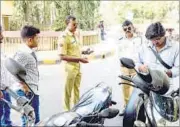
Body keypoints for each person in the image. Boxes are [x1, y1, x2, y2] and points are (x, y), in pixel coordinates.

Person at [58, 15, 93, 111]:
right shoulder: (64, 37)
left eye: (76, 24)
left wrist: (84, 52)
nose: (76, 26)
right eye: (74, 24)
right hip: (69, 68)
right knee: (67, 92)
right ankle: (66, 112)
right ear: (67, 24)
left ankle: (76, 110)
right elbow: (62, 56)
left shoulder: (75, 35)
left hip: (77, 67)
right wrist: (80, 59)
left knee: (76, 90)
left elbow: (75, 50)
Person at [136, 22, 179, 94]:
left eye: (158, 39)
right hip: (146, 85)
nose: (155, 42)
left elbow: (178, 68)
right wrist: (140, 67)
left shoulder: (176, 47)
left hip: (166, 87)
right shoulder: (144, 46)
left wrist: (169, 73)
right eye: (152, 40)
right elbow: (136, 61)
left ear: (164, 35)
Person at [13, 25, 41, 126]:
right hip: (27, 92)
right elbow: (13, 70)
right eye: (37, 38)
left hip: (32, 91)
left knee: (34, 120)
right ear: (30, 39)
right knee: (30, 121)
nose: (38, 40)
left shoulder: (29, 52)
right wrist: (23, 85)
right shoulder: (23, 53)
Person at [118, 20, 142, 116]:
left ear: (133, 27)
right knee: (125, 88)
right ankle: (126, 106)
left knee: (136, 88)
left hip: (136, 67)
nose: (127, 30)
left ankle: (135, 108)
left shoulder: (139, 39)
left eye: (129, 28)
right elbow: (118, 53)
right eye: (125, 29)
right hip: (124, 67)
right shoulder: (120, 40)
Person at [0, 25, 13, 127]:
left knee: (7, 113)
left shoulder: (1, 50)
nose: (2, 36)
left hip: (6, 88)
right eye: (0, 33)